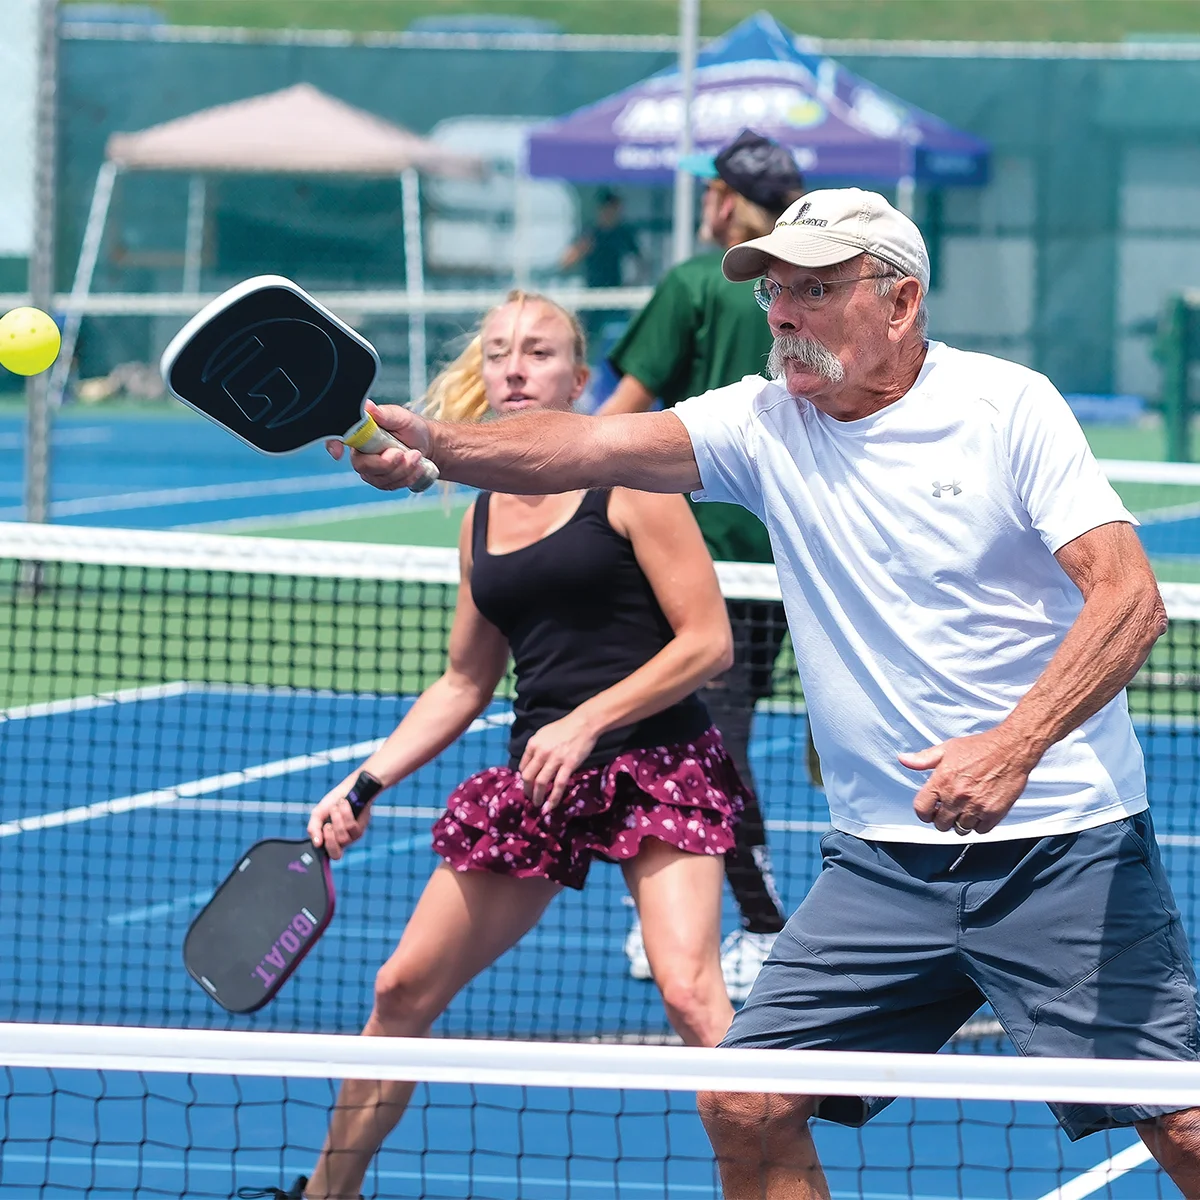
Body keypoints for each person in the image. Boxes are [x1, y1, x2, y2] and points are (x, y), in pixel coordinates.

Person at [333, 188, 1200, 1198]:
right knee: (744, 1100)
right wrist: (433, 444)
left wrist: (1013, 745)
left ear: (900, 301)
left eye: (816, 290)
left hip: (1063, 847)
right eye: (776, 292)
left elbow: (1130, 599)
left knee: (1181, 1124)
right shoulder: (762, 420)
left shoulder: (1007, 408)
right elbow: (584, 446)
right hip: (882, 866)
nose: (784, 313)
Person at [242, 290, 750, 1200]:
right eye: (499, 352)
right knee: (400, 991)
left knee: (688, 994)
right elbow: (464, 683)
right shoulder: (479, 514)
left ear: (580, 377)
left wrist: (591, 719)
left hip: (661, 766)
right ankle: (326, 1196)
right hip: (540, 774)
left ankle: (770, 1185)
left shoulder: (627, 480)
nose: (515, 367)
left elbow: (707, 641)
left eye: (540, 351)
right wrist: (363, 783)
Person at [598, 127, 808, 1000]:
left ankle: (764, 929)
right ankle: (680, 917)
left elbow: (619, 418)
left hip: (698, 562)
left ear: (726, 201)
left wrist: (532, 476)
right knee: (702, 739)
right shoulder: (809, 283)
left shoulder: (693, 282)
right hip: (790, 559)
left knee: (712, 747)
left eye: (711, 193)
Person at [559, 188, 641, 352]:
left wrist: (632, 285)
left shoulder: (622, 233)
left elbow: (641, 263)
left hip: (617, 297)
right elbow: (565, 262)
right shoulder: (590, 232)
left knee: (622, 340)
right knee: (584, 340)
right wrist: (583, 248)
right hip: (592, 295)